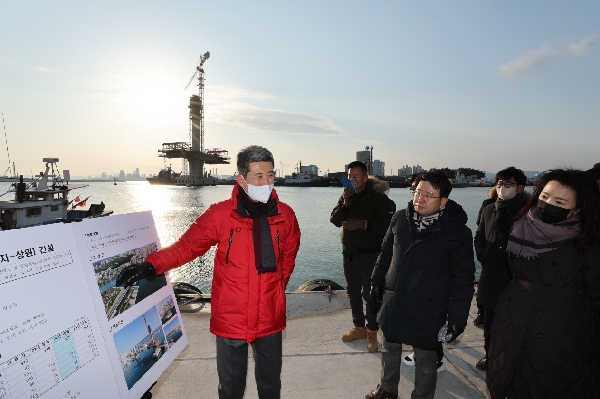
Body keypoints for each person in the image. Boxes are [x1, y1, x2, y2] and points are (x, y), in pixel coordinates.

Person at [116, 145, 301, 399]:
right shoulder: (220, 214)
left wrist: (277, 289)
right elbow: (188, 246)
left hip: (270, 315)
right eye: (259, 176)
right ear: (241, 179)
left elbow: (288, 257)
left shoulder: (286, 216)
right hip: (230, 317)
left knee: (270, 386)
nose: (266, 182)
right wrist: (152, 264)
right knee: (230, 389)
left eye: (270, 175)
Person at [486, 169, 600, 399]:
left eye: (560, 201)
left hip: (561, 327)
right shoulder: (521, 224)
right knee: (508, 379)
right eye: (545, 196)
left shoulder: (588, 239)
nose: (548, 204)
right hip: (513, 317)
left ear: (577, 208)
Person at [366, 170, 475, 399]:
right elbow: (386, 254)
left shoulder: (458, 233)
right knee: (389, 348)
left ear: (443, 201)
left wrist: (456, 320)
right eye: (417, 192)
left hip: (428, 307)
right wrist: (376, 282)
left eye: (428, 195)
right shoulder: (399, 218)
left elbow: (463, 279)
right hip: (394, 299)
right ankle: (387, 389)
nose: (419, 199)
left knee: (426, 360)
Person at [330, 161, 394, 352]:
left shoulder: (379, 200)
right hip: (349, 253)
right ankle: (359, 327)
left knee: (370, 294)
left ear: (365, 177)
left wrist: (364, 224)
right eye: (349, 176)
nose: (351, 180)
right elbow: (335, 220)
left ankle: (372, 330)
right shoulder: (346, 196)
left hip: (370, 255)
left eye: (355, 176)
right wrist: (346, 204)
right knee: (353, 292)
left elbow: (389, 228)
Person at [473, 167, 528, 371]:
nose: (502, 188)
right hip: (491, 276)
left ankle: (514, 359)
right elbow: (479, 235)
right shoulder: (490, 209)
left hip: (516, 278)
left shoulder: (528, 212)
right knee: (490, 324)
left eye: (508, 184)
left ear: (520, 188)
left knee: (516, 323)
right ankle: (490, 356)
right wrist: (483, 255)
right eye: (499, 184)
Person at [473, 186, 498, 328]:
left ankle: (481, 314)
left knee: (485, 283)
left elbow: (479, 225)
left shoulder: (487, 203)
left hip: (489, 250)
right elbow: (480, 227)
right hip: (489, 250)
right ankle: (483, 313)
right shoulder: (488, 205)